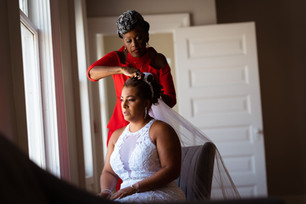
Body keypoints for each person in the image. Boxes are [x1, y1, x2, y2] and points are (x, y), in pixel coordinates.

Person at [87, 10, 176, 145]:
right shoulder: (117, 58)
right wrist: (122, 69)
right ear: (123, 40)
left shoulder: (158, 60)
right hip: (121, 124)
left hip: (149, 127)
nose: (134, 44)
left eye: (138, 38)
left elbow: (171, 98)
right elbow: (91, 73)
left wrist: (152, 97)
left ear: (146, 35)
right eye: (129, 40)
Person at [98, 73, 186, 202]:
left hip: (160, 193)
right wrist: (106, 191)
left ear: (146, 102)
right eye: (122, 99)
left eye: (131, 99)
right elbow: (108, 171)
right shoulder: (116, 135)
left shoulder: (161, 130)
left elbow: (171, 170)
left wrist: (135, 188)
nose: (124, 105)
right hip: (125, 194)